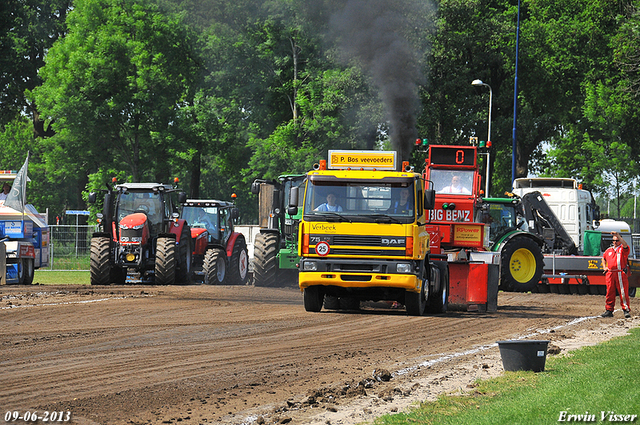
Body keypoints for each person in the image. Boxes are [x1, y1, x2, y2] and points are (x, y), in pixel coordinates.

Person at [601, 232, 631, 318]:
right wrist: (604, 267)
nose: (615, 242)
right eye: (613, 240)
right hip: (610, 273)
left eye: (617, 240)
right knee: (610, 291)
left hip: (619, 272)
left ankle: (626, 310)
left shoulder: (623, 249)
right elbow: (603, 258)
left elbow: (625, 244)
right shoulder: (609, 250)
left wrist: (618, 235)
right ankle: (609, 310)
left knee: (623, 291)